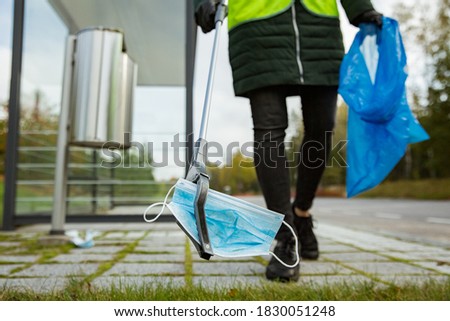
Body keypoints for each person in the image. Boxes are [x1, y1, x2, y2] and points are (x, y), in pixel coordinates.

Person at [194, 0, 382, 282]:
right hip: (257, 27)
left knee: (323, 128)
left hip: (317, 25)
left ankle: (301, 213)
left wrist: (360, 8)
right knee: (269, 132)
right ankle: (285, 236)